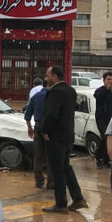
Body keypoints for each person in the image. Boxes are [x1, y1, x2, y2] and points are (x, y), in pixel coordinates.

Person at [38, 66, 87, 213]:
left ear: (55, 76)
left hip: (56, 137)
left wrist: (44, 130)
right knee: (66, 167)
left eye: (47, 75)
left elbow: (51, 114)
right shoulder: (71, 91)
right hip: (68, 137)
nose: (45, 78)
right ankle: (78, 199)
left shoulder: (55, 92)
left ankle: (61, 204)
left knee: (57, 170)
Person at [25, 79, 53, 189]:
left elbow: (27, 116)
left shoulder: (35, 97)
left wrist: (30, 128)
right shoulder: (53, 97)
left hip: (38, 126)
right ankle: (51, 182)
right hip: (51, 128)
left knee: (38, 155)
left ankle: (39, 181)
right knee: (51, 155)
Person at [93, 72, 112, 168]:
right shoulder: (100, 91)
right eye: (108, 79)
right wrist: (107, 89)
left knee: (109, 139)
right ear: (104, 80)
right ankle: (99, 156)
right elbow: (98, 97)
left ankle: (105, 159)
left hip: (111, 118)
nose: (110, 81)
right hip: (101, 119)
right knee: (105, 136)